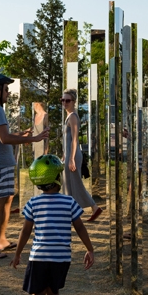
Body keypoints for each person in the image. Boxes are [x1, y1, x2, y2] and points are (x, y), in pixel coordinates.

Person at [10, 155, 94, 295]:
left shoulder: (33, 203)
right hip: (61, 258)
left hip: (38, 256)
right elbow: (80, 228)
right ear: (58, 178)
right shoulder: (69, 202)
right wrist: (90, 249)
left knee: (37, 293)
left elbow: (26, 230)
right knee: (53, 292)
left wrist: (17, 253)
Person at [0, 73, 49, 257]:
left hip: (5, 163)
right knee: (0, 202)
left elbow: (5, 135)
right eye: (5, 89)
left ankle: (1, 240)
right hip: (1, 165)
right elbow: (4, 138)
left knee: (8, 199)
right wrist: (33, 138)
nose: (8, 92)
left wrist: (23, 134)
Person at [60, 89, 103, 223]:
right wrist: (64, 155)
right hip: (68, 155)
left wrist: (71, 158)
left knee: (76, 183)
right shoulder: (69, 116)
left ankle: (94, 208)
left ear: (73, 102)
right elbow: (66, 141)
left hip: (73, 155)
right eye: (63, 100)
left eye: (68, 100)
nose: (65, 103)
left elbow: (74, 139)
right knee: (69, 184)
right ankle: (73, 212)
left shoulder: (73, 116)